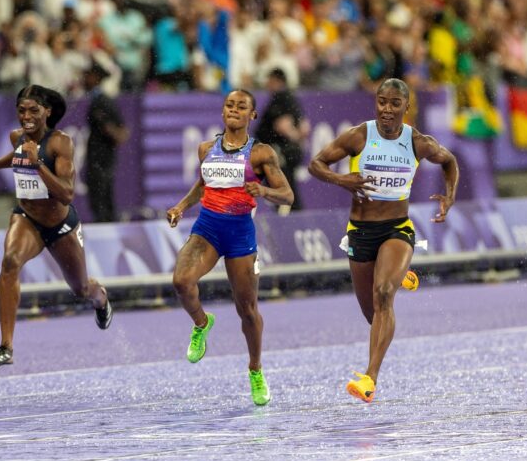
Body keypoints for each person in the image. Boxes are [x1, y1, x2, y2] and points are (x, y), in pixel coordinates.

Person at [309, 78, 458, 403]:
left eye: (394, 104)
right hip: (360, 233)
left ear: (407, 107)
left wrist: (450, 196)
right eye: (381, 102)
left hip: (397, 229)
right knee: (371, 315)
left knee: (383, 296)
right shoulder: (359, 136)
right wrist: (341, 179)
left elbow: (449, 161)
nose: (386, 110)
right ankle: (397, 274)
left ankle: (369, 378)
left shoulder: (418, 142)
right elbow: (315, 163)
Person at [0, 85, 113, 369]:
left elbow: (67, 194)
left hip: (60, 226)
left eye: (33, 110)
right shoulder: (16, 138)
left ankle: (101, 299)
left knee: (81, 288)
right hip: (27, 218)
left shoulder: (61, 143)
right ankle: (6, 346)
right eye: (21, 111)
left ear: (47, 111)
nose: (26, 116)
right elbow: (16, 156)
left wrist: (38, 167)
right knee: (10, 262)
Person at [165, 89, 294, 405]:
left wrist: (262, 190)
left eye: (242, 106)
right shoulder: (206, 148)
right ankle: (202, 322)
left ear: (252, 115)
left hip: (239, 235)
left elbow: (288, 195)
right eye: (229, 105)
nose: (234, 109)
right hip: (207, 230)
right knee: (181, 281)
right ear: (223, 111)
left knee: (247, 311)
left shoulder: (260, 154)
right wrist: (181, 206)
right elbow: (203, 183)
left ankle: (255, 369)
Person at [254, 67, 310, 211]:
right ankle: (293, 214)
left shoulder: (280, 98)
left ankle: (288, 217)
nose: (267, 84)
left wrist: (292, 140)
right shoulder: (291, 98)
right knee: (287, 185)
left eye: (270, 80)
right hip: (289, 150)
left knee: (283, 188)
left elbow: (282, 126)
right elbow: (305, 126)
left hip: (282, 151)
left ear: (277, 81)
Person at [83, 61, 129, 222]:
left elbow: (121, 132)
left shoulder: (101, 102)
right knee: (103, 196)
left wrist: (110, 131)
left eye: (87, 76)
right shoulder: (103, 100)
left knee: (101, 198)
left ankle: (106, 230)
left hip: (101, 158)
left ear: (95, 78)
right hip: (103, 158)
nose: (84, 80)